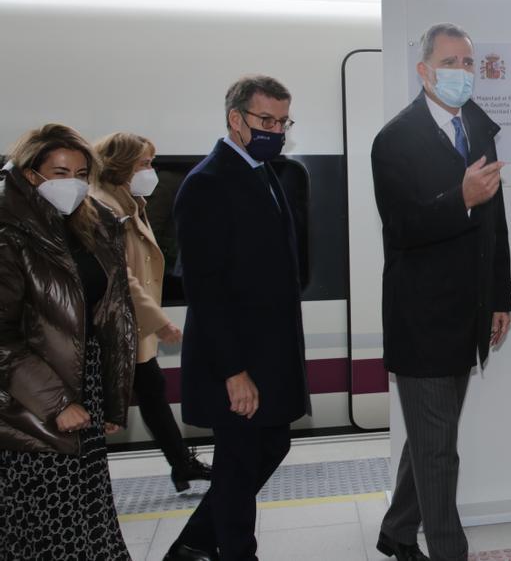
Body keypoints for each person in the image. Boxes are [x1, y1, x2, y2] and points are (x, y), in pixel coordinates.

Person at [372, 23, 511, 561]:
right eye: (451, 62)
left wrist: (502, 297)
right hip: (422, 321)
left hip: (470, 314)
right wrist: (460, 196)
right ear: (424, 70)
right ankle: (448, 551)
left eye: (468, 63)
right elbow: (403, 227)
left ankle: (396, 532)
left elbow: (497, 224)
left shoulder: (479, 129)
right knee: (439, 453)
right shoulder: (393, 140)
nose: (462, 72)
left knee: (432, 438)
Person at [165, 76, 311, 561]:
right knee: (239, 462)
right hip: (237, 357)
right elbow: (205, 292)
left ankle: (193, 543)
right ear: (236, 119)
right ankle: (233, 553)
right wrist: (233, 372)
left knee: (270, 446)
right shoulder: (207, 184)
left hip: (269, 352)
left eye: (282, 121)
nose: (276, 130)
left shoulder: (265, 172)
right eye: (265, 120)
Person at [0, 124, 138, 560]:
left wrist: (110, 400)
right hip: (28, 404)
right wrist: (58, 403)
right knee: (47, 524)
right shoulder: (8, 232)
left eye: (80, 173)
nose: (71, 184)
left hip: (84, 389)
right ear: (29, 172)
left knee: (87, 514)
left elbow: (110, 314)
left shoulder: (93, 226)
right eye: (59, 172)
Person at [92, 132, 211, 493]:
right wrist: (159, 322)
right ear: (120, 166)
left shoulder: (129, 203)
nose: (151, 170)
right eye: (144, 163)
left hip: (130, 326)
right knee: (105, 407)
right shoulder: (103, 209)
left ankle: (181, 464)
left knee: (152, 391)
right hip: (113, 329)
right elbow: (119, 277)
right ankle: (177, 464)